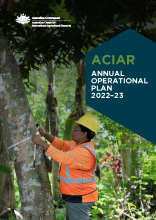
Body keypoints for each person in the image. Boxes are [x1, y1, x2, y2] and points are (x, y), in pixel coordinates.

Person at [32, 113, 100, 220]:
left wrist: (41, 143)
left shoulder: (84, 152)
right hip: (75, 196)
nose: (72, 131)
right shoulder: (77, 144)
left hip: (80, 198)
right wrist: (44, 134)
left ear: (84, 133)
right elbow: (61, 144)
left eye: (75, 130)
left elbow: (62, 157)